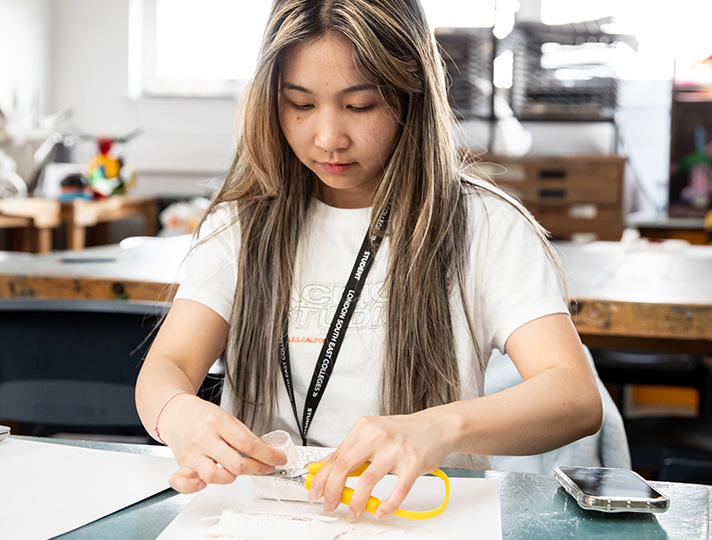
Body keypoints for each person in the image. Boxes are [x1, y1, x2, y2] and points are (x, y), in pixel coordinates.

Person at [135, 0, 602, 521]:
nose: (329, 137)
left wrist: (437, 428)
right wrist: (177, 414)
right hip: (262, 517)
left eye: (360, 105)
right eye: (301, 104)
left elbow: (575, 397)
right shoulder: (242, 225)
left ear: (412, 96)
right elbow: (167, 368)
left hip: (420, 516)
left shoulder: (483, 225)